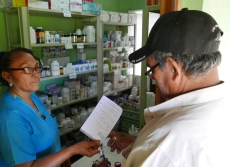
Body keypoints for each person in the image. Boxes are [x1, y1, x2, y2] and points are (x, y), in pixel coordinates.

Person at [98, 8, 230, 167]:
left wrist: (148, 148)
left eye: (152, 69)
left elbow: (167, 152)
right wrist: (139, 145)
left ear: (173, 68)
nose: (152, 77)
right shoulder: (223, 107)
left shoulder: (159, 148)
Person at [0, 47, 100, 167]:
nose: (36, 74)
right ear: (7, 76)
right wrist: (72, 151)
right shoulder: (9, 119)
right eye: (27, 69)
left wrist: (61, 155)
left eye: (37, 68)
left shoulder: (31, 96)